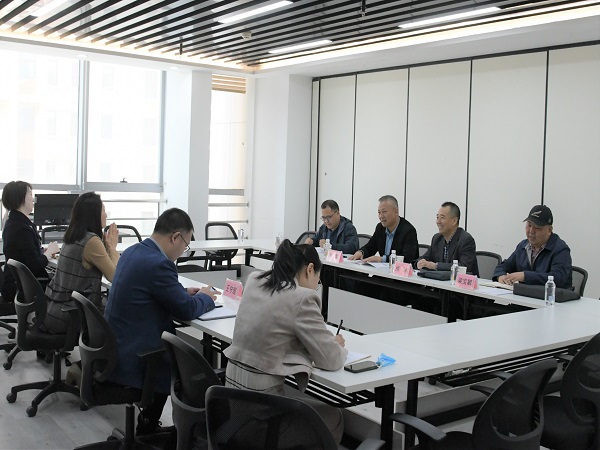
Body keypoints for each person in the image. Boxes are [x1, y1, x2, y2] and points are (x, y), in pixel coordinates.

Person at [104, 208, 218, 436]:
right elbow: (186, 310)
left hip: (115, 350)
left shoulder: (133, 251)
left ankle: (149, 426)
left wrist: (182, 291)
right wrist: (206, 297)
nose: (183, 251)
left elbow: (152, 289)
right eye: (185, 245)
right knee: (188, 367)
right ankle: (181, 434)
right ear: (175, 237)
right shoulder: (159, 263)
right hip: (136, 360)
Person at [224, 240, 348, 443]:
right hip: (262, 414)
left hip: (232, 403)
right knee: (334, 417)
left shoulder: (255, 279)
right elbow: (331, 359)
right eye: (318, 280)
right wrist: (337, 345)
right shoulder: (302, 297)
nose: (316, 286)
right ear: (310, 269)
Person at [44, 192, 119, 334]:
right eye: (103, 210)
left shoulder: (73, 235)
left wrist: (109, 248)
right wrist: (112, 248)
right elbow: (115, 277)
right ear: (94, 214)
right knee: (120, 313)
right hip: (70, 317)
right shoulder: (91, 241)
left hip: (54, 310)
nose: (106, 215)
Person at [1, 181, 59, 302]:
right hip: (24, 287)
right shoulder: (22, 228)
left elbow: (25, 255)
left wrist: (42, 251)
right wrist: (49, 253)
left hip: (16, 283)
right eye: (31, 194)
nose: (33, 199)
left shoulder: (14, 223)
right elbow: (34, 266)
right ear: (21, 198)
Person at [493, 205, 572, 289]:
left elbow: (557, 278)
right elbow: (503, 266)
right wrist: (500, 276)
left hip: (551, 296)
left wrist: (525, 276)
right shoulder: (523, 246)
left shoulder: (560, 250)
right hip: (524, 295)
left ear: (549, 230)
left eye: (537, 228)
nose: (531, 231)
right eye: (529, 225)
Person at [349, 195, 418, 263]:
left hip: (401, 270)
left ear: (396, 212)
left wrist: (383, 259)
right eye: (379, 212)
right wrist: (361, 252)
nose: (381, 216)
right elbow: (370, 247)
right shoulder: (380, 227)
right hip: (382, 269)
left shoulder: (408, 231)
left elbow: (407, 258)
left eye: (384, 212)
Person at [415, 202, 478, 275]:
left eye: (442, 218)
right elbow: (425, 257)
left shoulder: (466, 240)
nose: (438, 222)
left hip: (461, 281)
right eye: (437, 217)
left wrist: (436, 266)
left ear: (454, 221)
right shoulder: (437, 238)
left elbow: (464, 267)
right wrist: (420, 262)